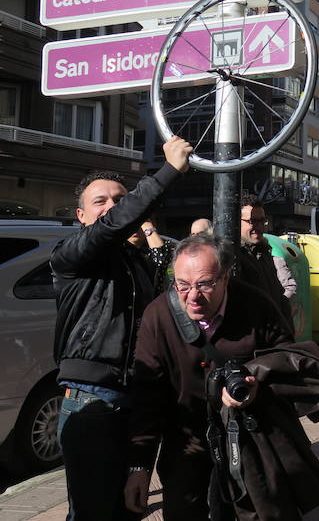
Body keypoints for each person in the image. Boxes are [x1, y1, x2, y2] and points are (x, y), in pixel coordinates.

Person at [123, 234, 319, 519]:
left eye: (205, 284)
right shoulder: (158, 316)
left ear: (225, 277)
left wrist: (256, 383)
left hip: (249, 442)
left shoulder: (257, 306)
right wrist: (139, 467)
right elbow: (147, 398)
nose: (192, 296)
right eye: (182, 285)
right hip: (186, 444)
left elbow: (288, 364)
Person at [51, 136, 192, 521]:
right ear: (80, 217)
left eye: (119, 198)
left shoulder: (137, 263)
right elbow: (111, 228)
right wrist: (168, 171)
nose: (113, 206)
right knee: (93, 512)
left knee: (129, 510)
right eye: (101, 201)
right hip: (93, 401)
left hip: (138, 403)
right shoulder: (71, 255)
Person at [238, 193, 293, 329]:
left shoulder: (265, 253)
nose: (259, 227)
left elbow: (279, 298)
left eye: (262, 221)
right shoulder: (234, 256)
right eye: (252, 221)